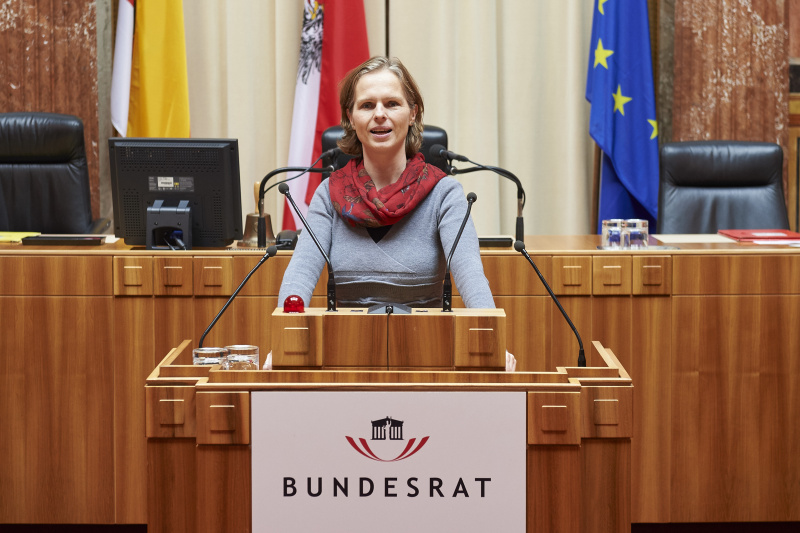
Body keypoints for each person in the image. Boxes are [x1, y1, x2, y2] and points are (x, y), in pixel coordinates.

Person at [278, 56, 494, 310]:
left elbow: (472, 278)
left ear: (412, 113)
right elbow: (298, 278)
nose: (380, 114)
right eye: (367, 105)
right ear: (351, 117)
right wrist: (284, 340)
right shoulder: (329, 195)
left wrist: (491, 341)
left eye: (392, 104)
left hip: (428, 342)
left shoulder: (444, 194)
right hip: (344, 343)